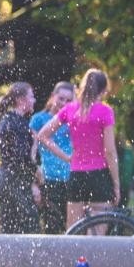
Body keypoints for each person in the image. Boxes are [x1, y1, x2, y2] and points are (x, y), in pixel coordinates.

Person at [36, 68, 120, 230]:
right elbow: (110, 151)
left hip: (76, 175)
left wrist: (67, 157)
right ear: (103, 90)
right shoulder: (105, 111)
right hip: (99, 175)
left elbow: (43, 135)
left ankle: (75, 257)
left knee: (73, 231)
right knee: (97, 231)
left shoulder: (70, 109)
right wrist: (116, 184)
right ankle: (91, 257)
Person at [29, 81, 76, 234]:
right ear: (52, 97)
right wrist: (34, 180)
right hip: (49, 178)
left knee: (71, 226)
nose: (64, 103)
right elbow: (32, 151)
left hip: (70, 178)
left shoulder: (74, 120)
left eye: (69, 100)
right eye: (61, 98)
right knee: (52, 224)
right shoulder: (39, 120)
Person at [0, 82, 39, 233]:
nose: (34, 100)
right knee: (28, 226)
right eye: (31, 96)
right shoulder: (13, 123)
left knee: (13, 227)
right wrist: (36, 174)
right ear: (21, 100)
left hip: (11, 180)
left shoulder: (16, 121)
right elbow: (20, 158)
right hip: (13, 182)